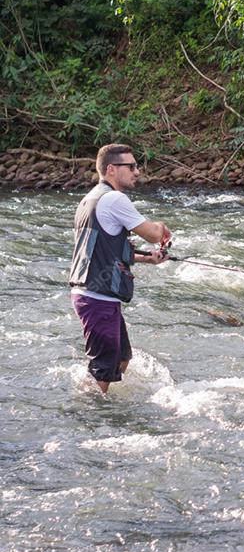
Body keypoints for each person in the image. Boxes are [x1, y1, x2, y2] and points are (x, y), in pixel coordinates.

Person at [69, 144, 172, 393]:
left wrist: (148, 259)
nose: (137, 171)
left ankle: (98, 400)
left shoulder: (90, 198)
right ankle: (92, 415)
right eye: (132, 166)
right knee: (103, 369)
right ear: (112, 169)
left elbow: (102, 251)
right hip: (97, 297)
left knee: (122, 358)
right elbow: (153, 233)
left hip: (93, 294)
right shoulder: (114, 199)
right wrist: (162, 228)